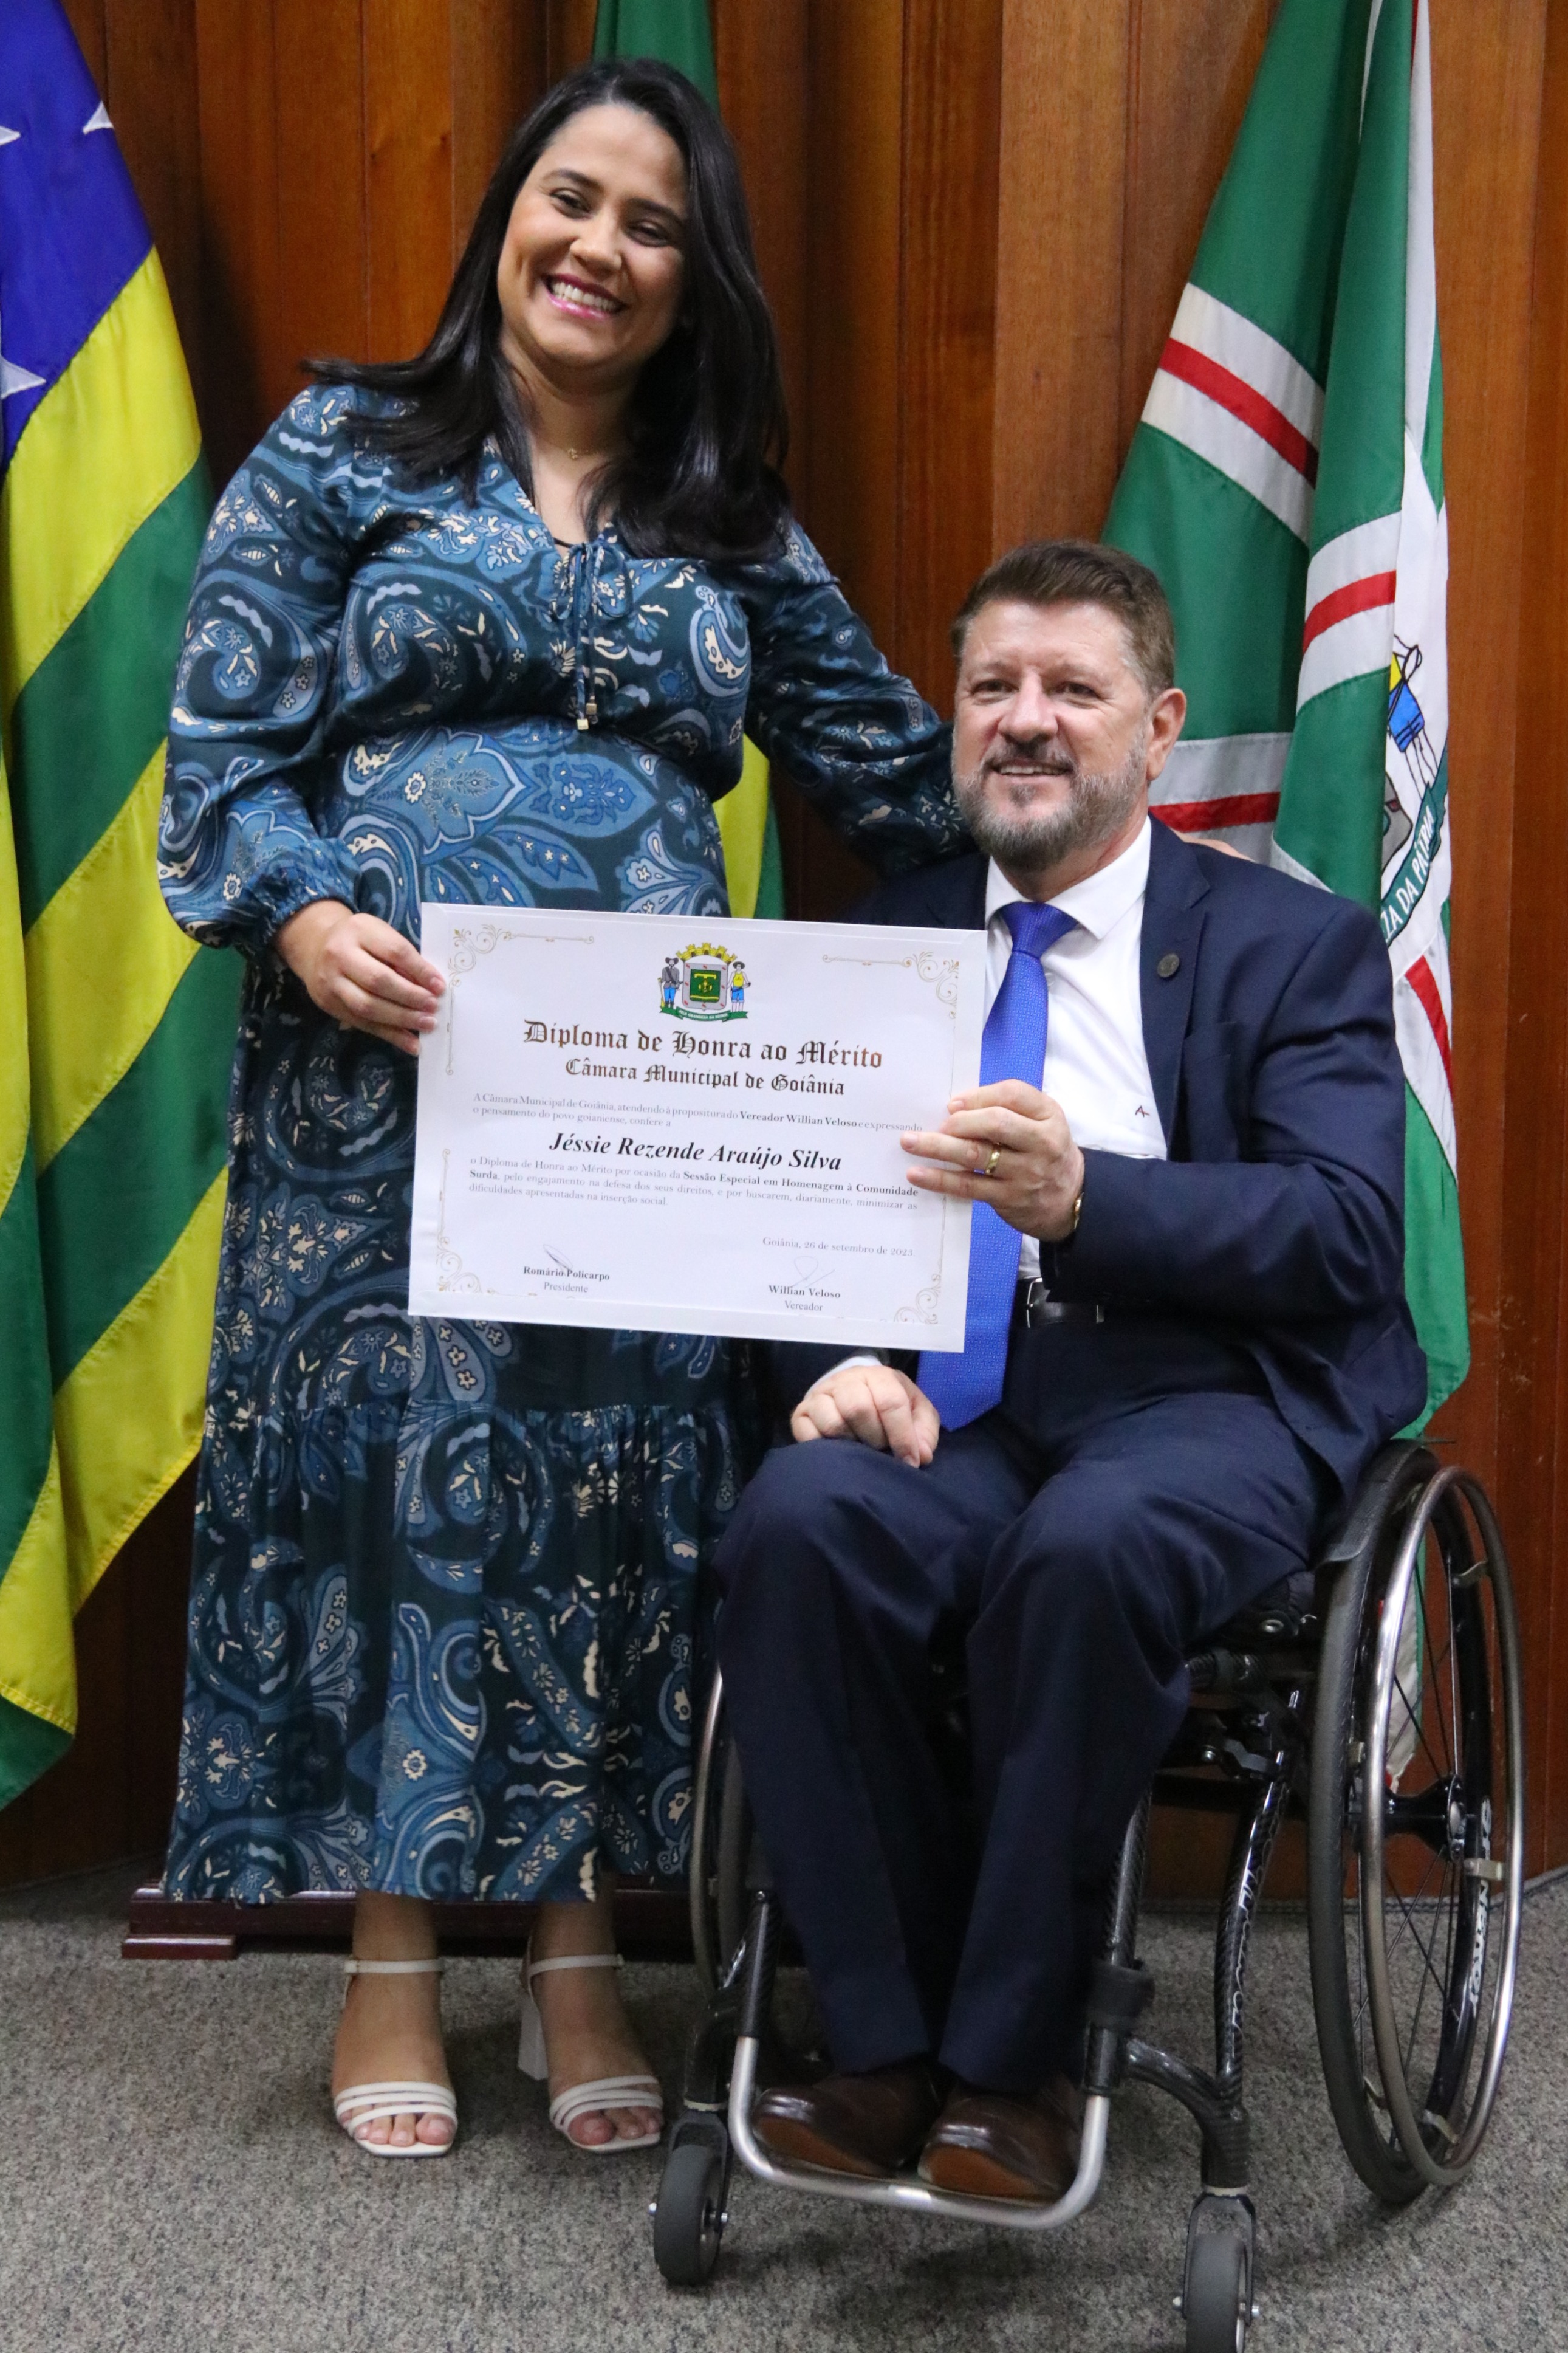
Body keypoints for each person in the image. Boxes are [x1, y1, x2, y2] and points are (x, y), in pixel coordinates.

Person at [156, 57, 962, 2161]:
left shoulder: (732, 522)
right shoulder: (345, 448)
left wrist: (1143, 862)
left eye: (654, 226)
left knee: (609, 1491)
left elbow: (903, 779)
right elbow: (219, 757)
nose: (602, 247)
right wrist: (303, 911)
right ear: (505, 217)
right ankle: (391, 1957)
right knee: (402, 1485)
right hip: (380, 1094)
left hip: (652, 1120)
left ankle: (580, 1944)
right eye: (572, 200)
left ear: (701, 281)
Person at [714, 539, 1427, 2201]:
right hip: (955, 1399)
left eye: (1071, 689)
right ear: (956, 721)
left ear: (1158, 730)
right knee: (799, 1526)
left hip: (1209, 1400)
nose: (1025, 720)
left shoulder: (1291, 945)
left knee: (1088, 1552)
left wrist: (1086, 1200)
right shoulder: (878, 942)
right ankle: (882, 2045)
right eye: (992, 687)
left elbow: (1343, 1232)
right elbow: (780, 1201)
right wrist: (836, 1357)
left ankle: (1015, 2065)